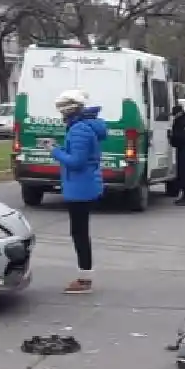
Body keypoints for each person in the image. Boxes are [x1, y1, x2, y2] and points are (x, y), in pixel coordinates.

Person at [50, 89, 107, 295]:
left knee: (80, 234)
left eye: (62, 109)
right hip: (83, 185)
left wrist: (55, 151)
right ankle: (85, 276)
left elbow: (77, 162)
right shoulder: (83, 127)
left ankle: (85, 279)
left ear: (69, 109)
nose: (60, 113)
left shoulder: (79, 130)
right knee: (80, 232)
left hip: (81, 188)